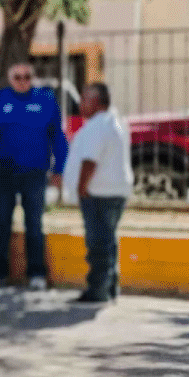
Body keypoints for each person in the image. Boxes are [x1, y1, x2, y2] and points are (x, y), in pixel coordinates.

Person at [0, 62, 68, 291]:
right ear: (10, 79)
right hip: (3, 173)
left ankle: (37, 274)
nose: (22, 80)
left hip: (35, 174)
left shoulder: (45, 100)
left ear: (33, 78)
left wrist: (60, 169)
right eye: (17, 77)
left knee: (34, 224)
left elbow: (58, 137)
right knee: (1, 223)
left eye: (27, 76)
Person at [65, 82, 131, 303]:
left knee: (98, 243)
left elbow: (90, 161)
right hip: (115, 191)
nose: (80, 104)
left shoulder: (97, 126)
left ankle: (98, 290)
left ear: (97, 102)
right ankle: (110, 287)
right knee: (109, 240)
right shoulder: (114, 123)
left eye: (84, 99)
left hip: (98, 193)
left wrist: (82, 187)